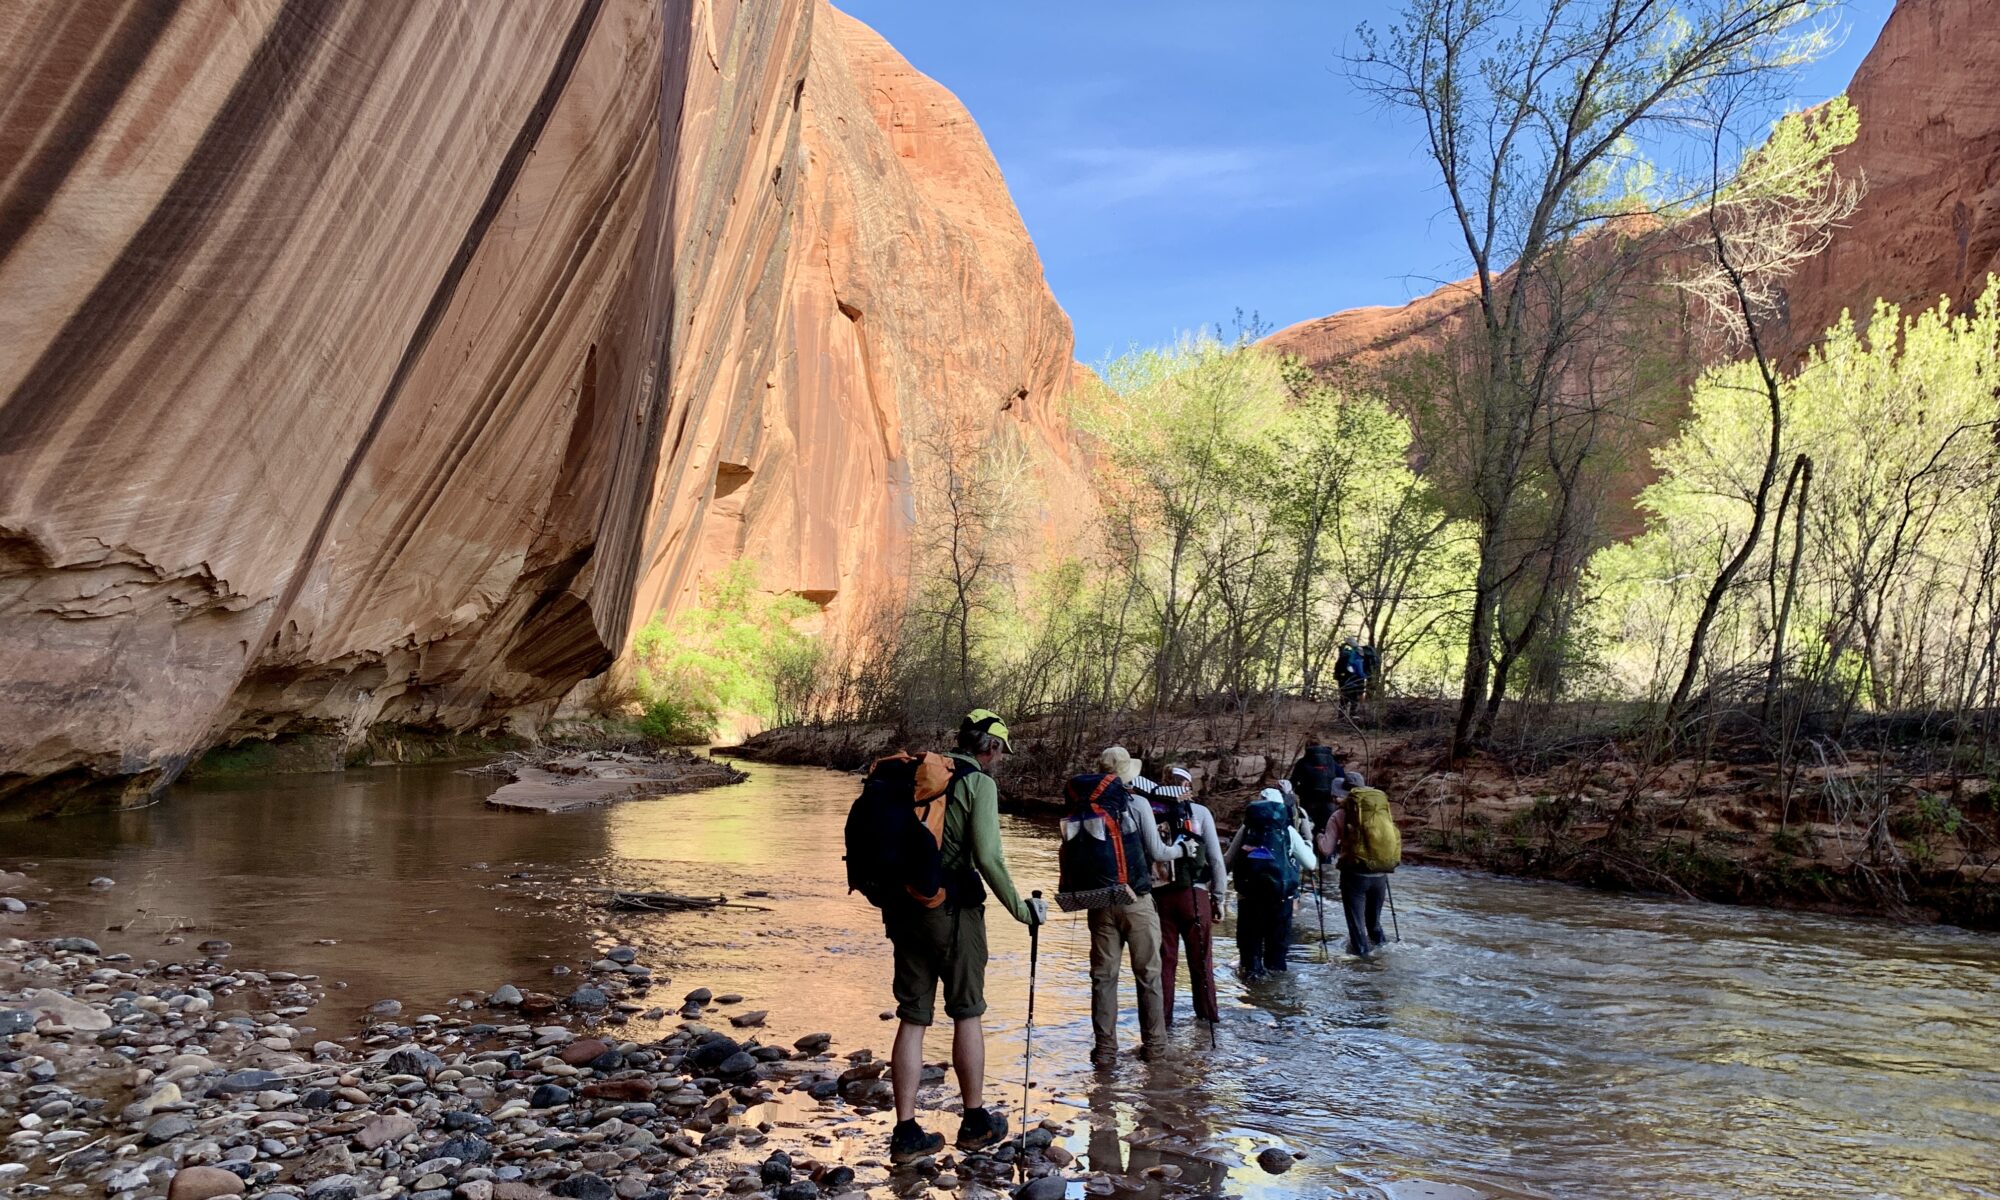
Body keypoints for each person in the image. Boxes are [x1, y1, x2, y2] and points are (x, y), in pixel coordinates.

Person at [885, 709, 1046, 1163]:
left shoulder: (919, 773)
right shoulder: (979, 783)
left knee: (913, 1017)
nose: (999, 760)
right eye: (1000, 752)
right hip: (953, 911)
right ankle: (974, 1121)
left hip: (906, 906)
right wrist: (1022, 911)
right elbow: (989, 857)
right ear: (991, 747)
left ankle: (906, 1132)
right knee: (967, 1012)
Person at [1077, 746, 1186, 1066]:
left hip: (1098, 900)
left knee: (1103, 977)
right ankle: (1154, 1047)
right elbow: (1158, 851)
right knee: (1148, 974)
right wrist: (1183, 849)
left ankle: (1105, 1051)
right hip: (1136, 899)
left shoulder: (1087, 805)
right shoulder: (1136, 803)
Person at [1131, 764, 1228, 1028]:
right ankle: (1208, 1021)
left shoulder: (1147, 810)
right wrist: (1219, 898)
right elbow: (1216, 861)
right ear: (1187, 787)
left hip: (1160, 897)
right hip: (1195, 896)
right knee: (1201, 962)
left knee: (1164, 962)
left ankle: (1161, 1026)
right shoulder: (1200, 812)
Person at [1225, 788, 1318, 979]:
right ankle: (1275, 998)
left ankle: (1253, 995)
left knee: (1250, 957)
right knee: (1276, 957)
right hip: (1280, 899)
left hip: (1248, 899)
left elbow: (1228, 860)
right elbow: (1311, 864)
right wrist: (1308, 845)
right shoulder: (1288, 831)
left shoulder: (1247, 829)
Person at [1316, 782, 1395, 959]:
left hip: (1354, 877)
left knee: (1357, 926)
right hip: (1380, 874)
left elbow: (1326, 849)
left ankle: (1364, 966)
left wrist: (1318, 836)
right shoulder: (1378, 811)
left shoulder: (1339, 815)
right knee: (1374, 924)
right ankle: (1384, 956)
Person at [1334, 636, 1370, 713]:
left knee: (1344, 698)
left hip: (1343, 679)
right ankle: (1353, 715)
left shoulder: (1344, 654)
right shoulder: (1358, 654)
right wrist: (1365, 676)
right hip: (1354, 680)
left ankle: (1341, 717)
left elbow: (1338, 668)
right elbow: (1360, 671)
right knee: (1354, 698)